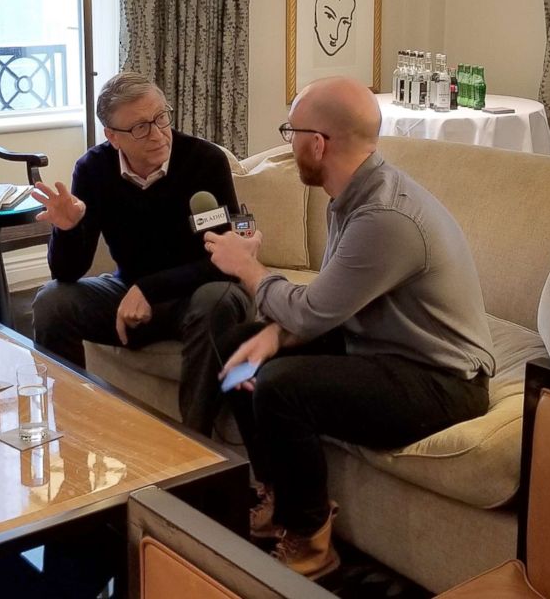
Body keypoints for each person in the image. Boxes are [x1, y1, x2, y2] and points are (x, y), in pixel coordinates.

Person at [204, 76, 495, 580]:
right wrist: (275, 333)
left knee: (278, 388)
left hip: (439, 381)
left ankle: (313, 537)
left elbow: (312, 312)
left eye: (289, 131)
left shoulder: (384, 215)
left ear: (317, 143)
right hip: (382, 347)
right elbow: (328, 305)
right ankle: (279, 490)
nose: (286, 142)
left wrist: (246, 267)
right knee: (241, 344)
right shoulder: (354, 193)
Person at [32, 71, 251, 436]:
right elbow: (67, 273)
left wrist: (149, 289)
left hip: (195, 294)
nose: (158, 134)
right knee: (52, 302)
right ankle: (72, 430)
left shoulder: (204, 161)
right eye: (140, 128)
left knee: (218, 300)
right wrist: (67, 229)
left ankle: (194, 448)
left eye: (161, 117)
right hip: (127, 292)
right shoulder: (93, 169)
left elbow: (225, 262)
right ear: (112, 136)